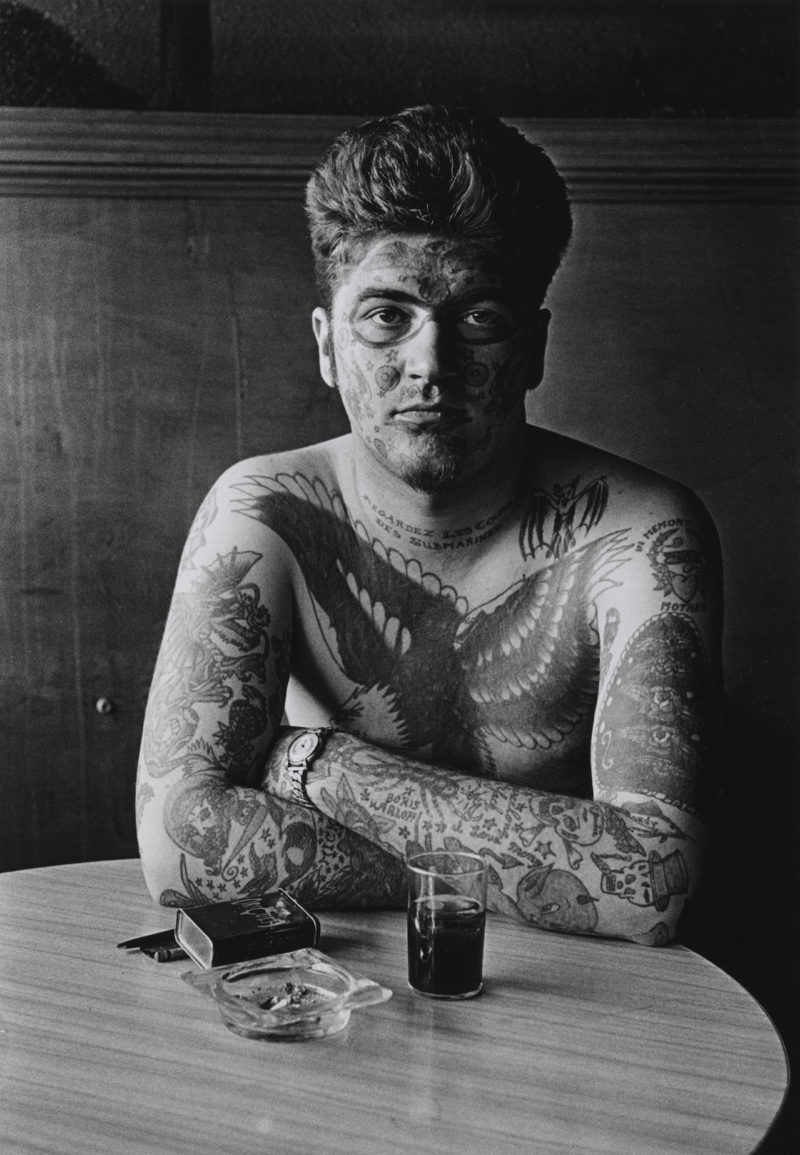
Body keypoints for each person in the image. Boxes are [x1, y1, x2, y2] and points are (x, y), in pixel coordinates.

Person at [136, 105, 722, 946]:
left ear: (533, 348)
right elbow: (179, 849)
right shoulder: (262, 511)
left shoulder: (640, 536)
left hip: (579, 989)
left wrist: (316, 763)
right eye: (386, 316)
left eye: (479, 318)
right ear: (327, 345)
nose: (430, 365)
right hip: (340, 983)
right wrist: (513, 868)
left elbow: (652, 884)